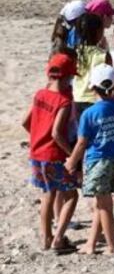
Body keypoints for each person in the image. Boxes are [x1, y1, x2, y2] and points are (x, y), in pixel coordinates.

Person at [65, 64, 114, 255]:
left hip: (98, 161)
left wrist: (71, 162)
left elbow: (82, 143)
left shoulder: (89, 113)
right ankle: (91, 244)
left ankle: (112, 247)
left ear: (92, 87)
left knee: (105, 206)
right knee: (100, 203)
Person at [23, 53, 80, 252]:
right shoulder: (63, 101)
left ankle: (45, 238)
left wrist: (38, 136)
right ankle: (58, 239)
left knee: (47, 194)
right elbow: (57, 133)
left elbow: (25, 122)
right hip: (54, 155)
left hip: (37, 153)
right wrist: (72, 153)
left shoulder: (40, 94)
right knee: (71, 196)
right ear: (66, 77)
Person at [72, 13, 110, 119]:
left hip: (77, 97)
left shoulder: (75, 53)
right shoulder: (103, 55)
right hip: (96, 99)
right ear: (99, 31)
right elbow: (109, 78)